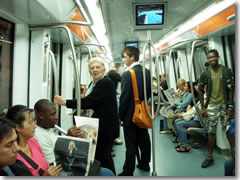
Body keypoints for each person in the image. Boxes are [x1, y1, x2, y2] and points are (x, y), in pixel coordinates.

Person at [54, 58, 118, 175]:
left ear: (104, 69)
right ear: (89, 71)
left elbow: (89, 102)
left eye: (98, 67)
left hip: (106, 126)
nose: (95, 70)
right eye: (92, 68)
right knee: (99, 155)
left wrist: (65, 102)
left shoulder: (106, 83)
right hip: (99, 124)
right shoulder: (94, 83)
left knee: (104, 156)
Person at [34, 99, 114, 176]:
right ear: (41, 116)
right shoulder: (40, 136)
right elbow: (56, 163)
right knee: (107, 173)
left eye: (56, 114)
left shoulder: (47, 128)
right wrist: (69, 139)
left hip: (69, 164)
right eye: (53, 114)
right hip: (64, 170)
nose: (56, 117)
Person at [118, 46, 151, 176]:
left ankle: (128, 171)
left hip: (130, 116)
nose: (123, 59)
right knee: (144, 140)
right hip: (143, 113)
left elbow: (124, 98)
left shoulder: (127, 74)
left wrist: (121, 116)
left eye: (125, 56)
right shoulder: (147, 72)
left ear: (132, 57)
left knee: (131, 145)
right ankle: (145, 164)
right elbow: (148, 93)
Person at [199, 49, 234, 168]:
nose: (211, 59)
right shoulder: (205, 73)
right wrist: (203, 107)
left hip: (224, 105)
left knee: (229, 130)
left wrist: (230, 106)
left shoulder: (226, 71)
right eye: (209, 58)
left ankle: (234, 155)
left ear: (218, 57)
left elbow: (230, 89)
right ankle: (210, 156)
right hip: (212, 105)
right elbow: (200, 89)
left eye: (213, 57)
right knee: (211, 131)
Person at [6, 105, 62, 176]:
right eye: (30, 122)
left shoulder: (32, 141)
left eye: (34, 121)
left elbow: (47, 165)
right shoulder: (14, 156)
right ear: (18, 128)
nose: (35, 126)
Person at [107, 63, 123, 145]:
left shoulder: (108, 74)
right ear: (117, 68)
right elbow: (122, 80)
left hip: (108, 97)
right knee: (116, 117)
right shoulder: (115, 74)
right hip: (113, 97)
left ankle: (111, 137)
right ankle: (116, 137)